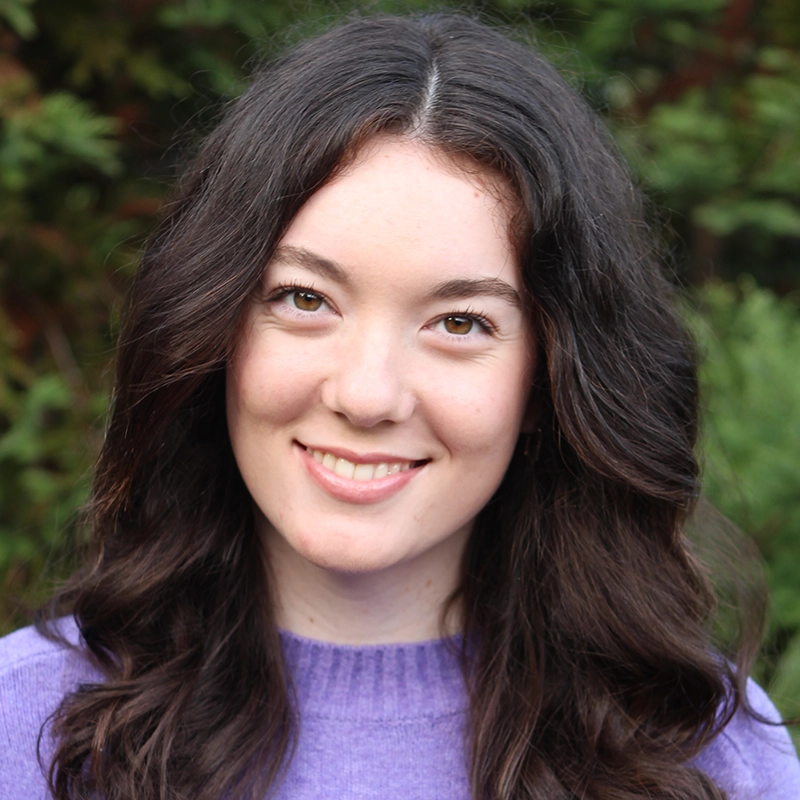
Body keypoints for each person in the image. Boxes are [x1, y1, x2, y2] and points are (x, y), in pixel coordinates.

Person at [1, 12, 798, 800]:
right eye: (305, 298)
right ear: (215, 328)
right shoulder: (27, 726)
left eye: (459, 322)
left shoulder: (699, 749)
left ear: (548, 377)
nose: (367, 394)